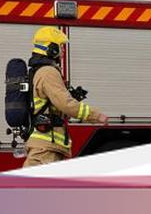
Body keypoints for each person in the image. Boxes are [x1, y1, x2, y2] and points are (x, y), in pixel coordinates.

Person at [23, 26, 108, 168]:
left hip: (46, 146)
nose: (62, 51)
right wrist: (96, 116)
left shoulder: (40, 71)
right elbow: (65, 104)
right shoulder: (48, 72)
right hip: (46, 147)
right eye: (60, 46)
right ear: (51, 48)